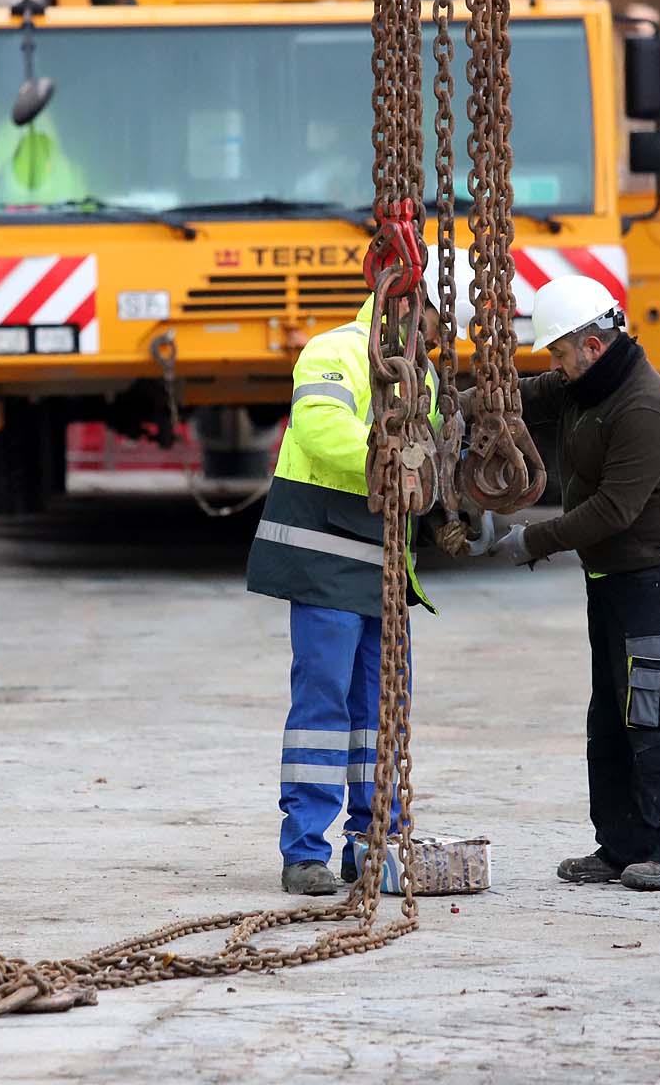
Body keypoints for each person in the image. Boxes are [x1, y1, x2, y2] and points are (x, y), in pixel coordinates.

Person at [474, 274, 660, 891]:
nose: (554, 366)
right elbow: (523, 398)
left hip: (659, 579)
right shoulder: (586, 386)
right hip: (612, 578)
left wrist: (529, 539)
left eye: (559, 353)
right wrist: (457, 398)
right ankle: (623, 846)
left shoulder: (645, 407)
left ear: (594, 346)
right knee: (611, 716)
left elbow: (614, 510)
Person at [245, 282, 453, 895]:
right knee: (324, 704)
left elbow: (430, 455)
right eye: (438, 328)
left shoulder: (425, 380)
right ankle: (304, 851)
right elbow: (320, 430)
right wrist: (396, 456)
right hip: (324, 557)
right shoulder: (332, 352)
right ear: (413, 310)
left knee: (380, 709)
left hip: (383, 565)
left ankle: (373, 842)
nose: (438, 344)